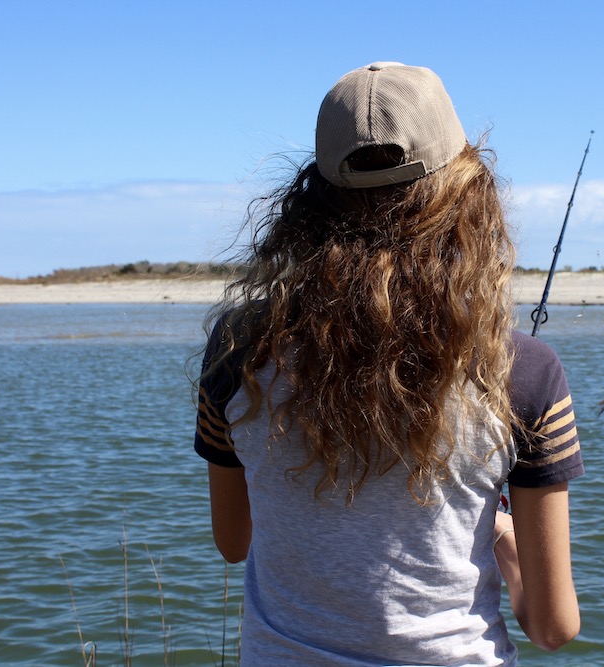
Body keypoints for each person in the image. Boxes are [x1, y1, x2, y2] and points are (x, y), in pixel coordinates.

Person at [194, 62, 583, 666]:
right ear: (465, 194)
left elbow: (233, 541)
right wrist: (502, 537)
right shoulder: (524, 371)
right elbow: (553, 627)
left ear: (310, 200)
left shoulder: (236, 349)